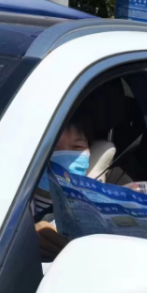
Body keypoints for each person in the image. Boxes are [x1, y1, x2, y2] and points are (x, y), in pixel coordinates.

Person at [33, 111, 93, 260]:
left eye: (77, 147)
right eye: (54, 148)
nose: (67, 158)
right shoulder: (17, 194)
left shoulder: (97, 198)